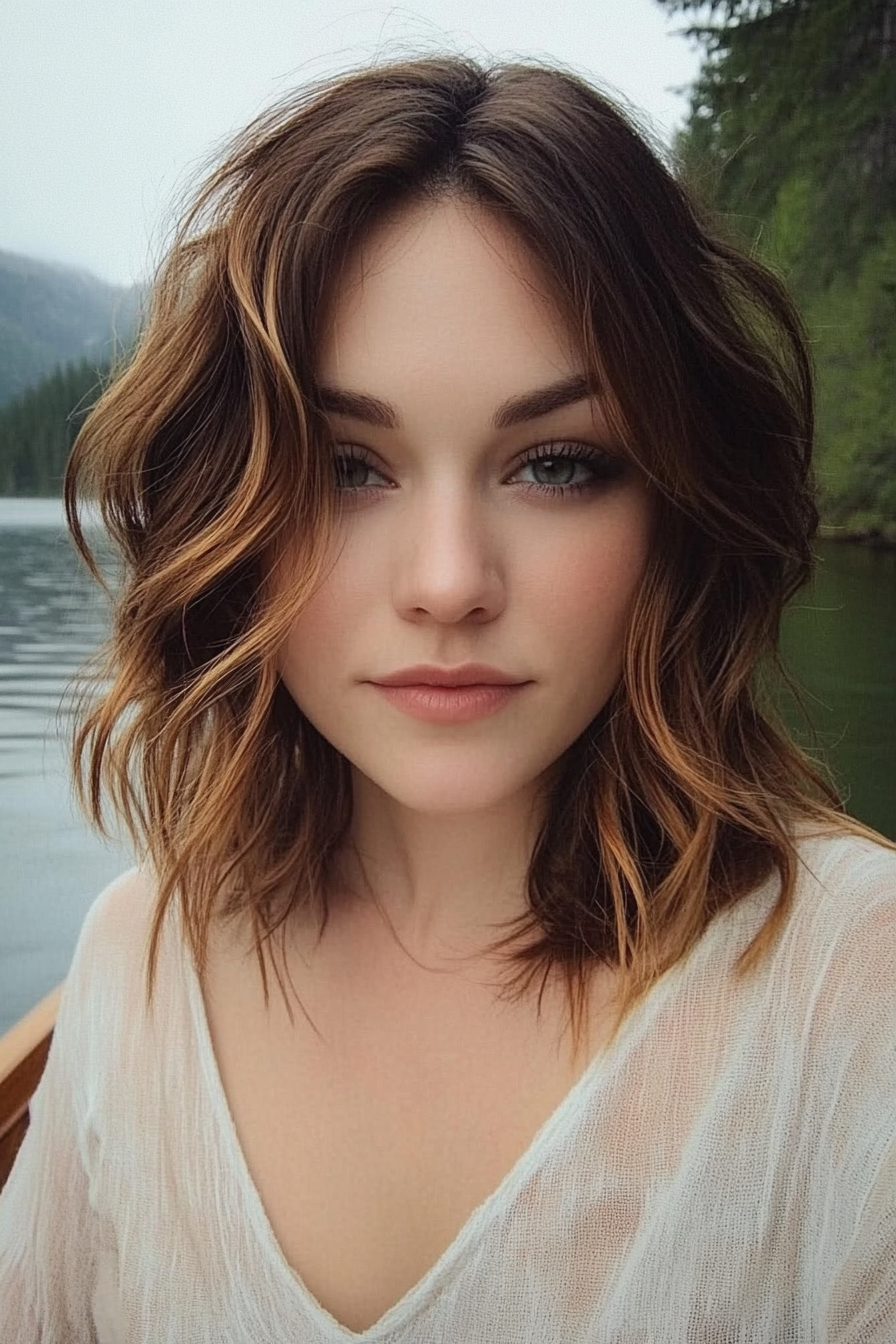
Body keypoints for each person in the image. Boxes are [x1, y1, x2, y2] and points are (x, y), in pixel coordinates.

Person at [1, 53, 894, 1343]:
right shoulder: (141, 960)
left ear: (676, 509)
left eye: (556, 463)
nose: (447, 584)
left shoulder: (852, 994)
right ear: (229, 515)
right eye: (349, 468)